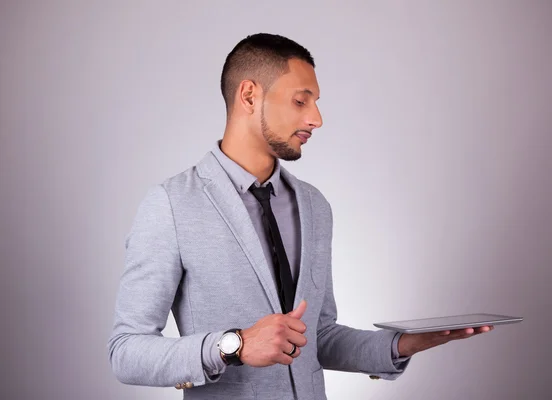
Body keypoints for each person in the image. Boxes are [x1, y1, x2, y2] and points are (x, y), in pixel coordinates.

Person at [107, 33, 493, 400]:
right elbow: (126, 351)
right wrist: (233, 345)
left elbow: (317, 337)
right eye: (300, 101)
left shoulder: (313, 205)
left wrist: (402, 344)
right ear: (249, 95)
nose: (317, 119)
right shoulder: (171, 204)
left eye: (316, 102)